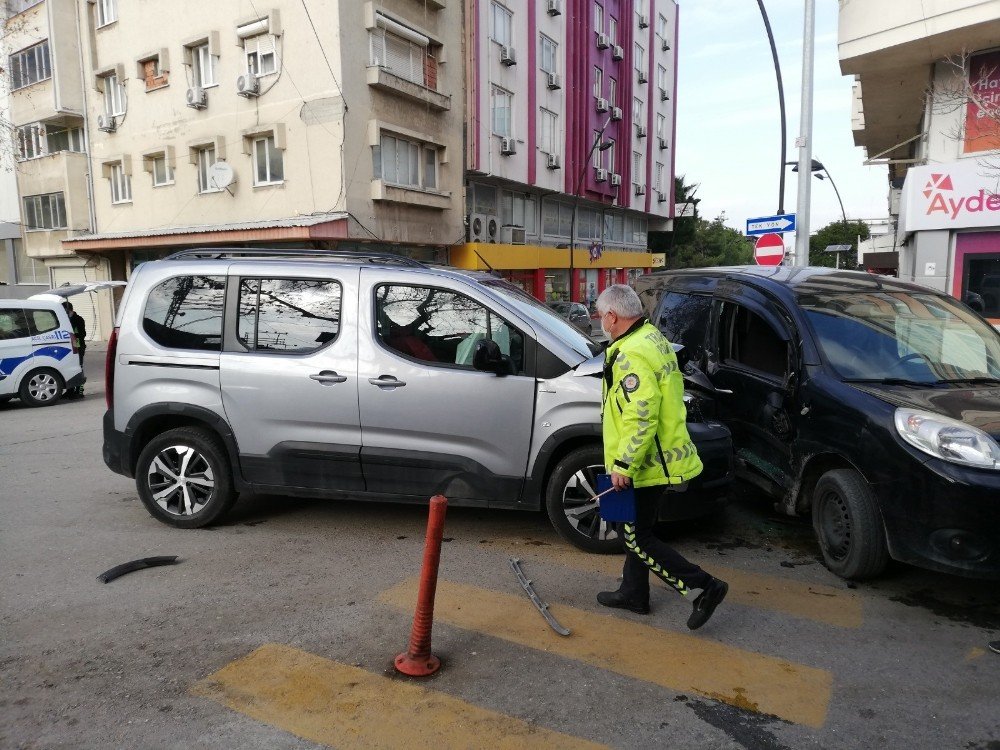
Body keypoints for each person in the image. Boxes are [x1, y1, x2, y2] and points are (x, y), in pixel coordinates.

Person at [595, 284, 728, 630]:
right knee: (638, 528)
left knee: (635, 536)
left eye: (600, 316)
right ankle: (633, 593)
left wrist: (624, 464)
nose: (600, 322)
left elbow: (642, 412)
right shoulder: (651, 337)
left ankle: (703, 587)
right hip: (659, 454)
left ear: (612, 316)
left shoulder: (631, 353)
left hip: (645, 461)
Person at [63, 302, 86, 398]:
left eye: (64, 311)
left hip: (78, 346)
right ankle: (70, 390)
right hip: (69, 347)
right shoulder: (65, 320)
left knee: (79, 368)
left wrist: (72, 335)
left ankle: (79, 391)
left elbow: (82, 334)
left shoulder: (78, 319)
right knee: (70, 368)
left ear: (68, 310)